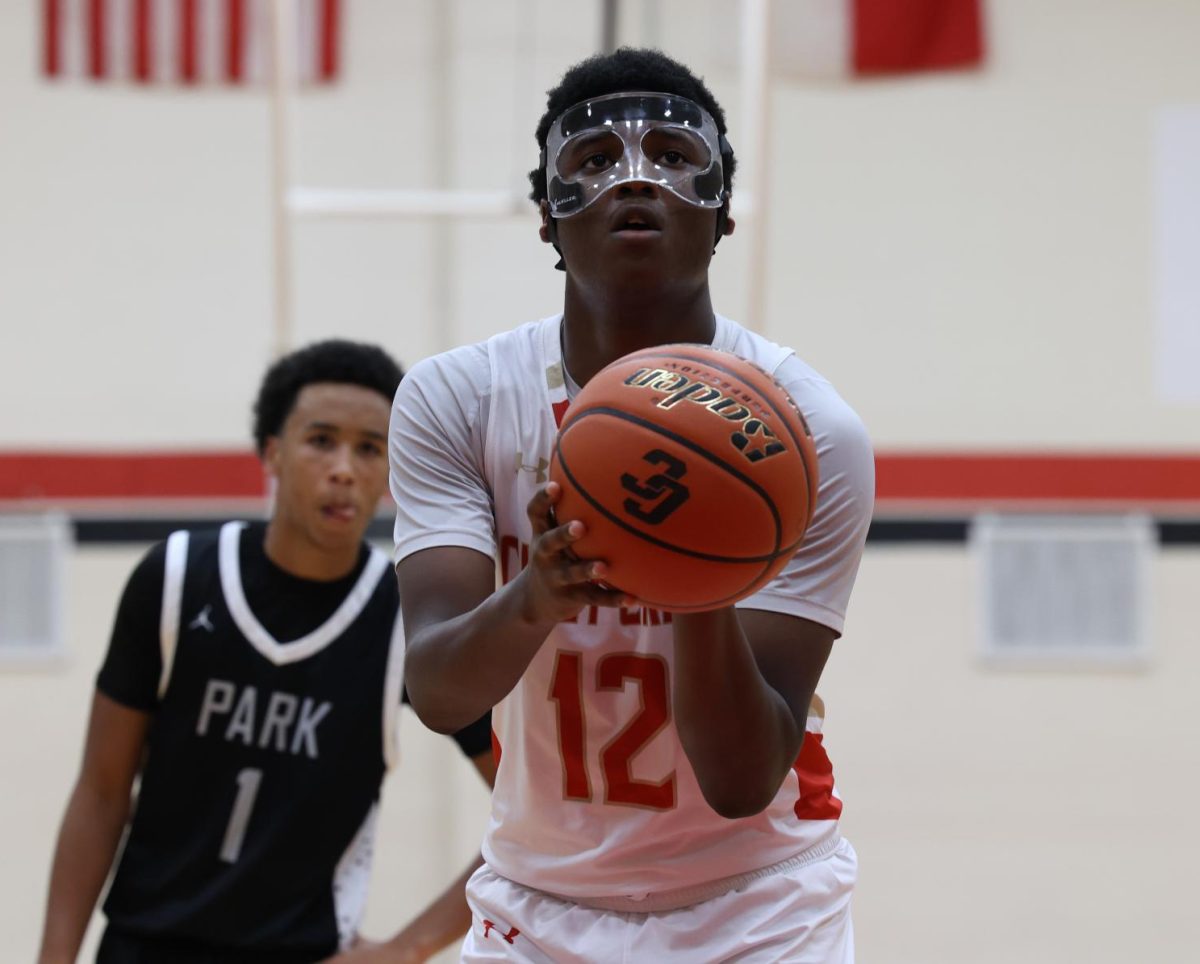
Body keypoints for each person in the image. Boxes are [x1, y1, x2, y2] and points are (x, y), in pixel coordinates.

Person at [389, 48, 874, 962]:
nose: (634, 180)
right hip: (537, 902)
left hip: (760, 903)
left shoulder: (812, 431)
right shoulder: (456, 399)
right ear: (546, 218)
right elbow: (437, 690)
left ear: (724, 212)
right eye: (593, 162)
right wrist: (539, 593)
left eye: (674, 156)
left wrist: (693, 571)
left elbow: (741, 777)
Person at [38, 340, 495, 964]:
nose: (344, 469)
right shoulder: (176, 575)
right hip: (145, 945)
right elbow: (100, 791)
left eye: (370, 449)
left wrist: (408, 948)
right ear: (272, 451)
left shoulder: (404, 619)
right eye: (321, 440)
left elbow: (522, 807)